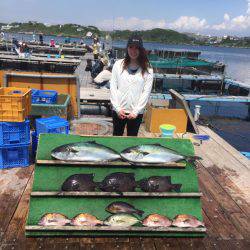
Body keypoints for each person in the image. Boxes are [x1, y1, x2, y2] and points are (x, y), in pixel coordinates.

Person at [110, 34, 153, 136]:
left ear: (141, 50)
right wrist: (117, 108)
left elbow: (146, 92)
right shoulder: (118, 65)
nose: (133, 51)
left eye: (137, 48)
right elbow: (113, 87)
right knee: (116, 137)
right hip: (119, 111)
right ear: (127, 48)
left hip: (136, 113)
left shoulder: (148, 69)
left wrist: (136, 111)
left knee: (132, 140)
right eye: (131, 47)